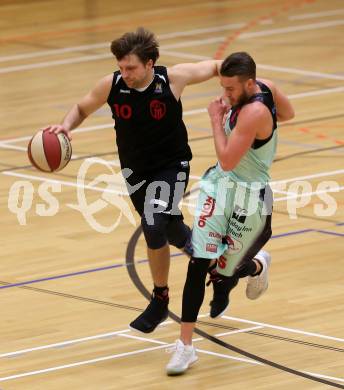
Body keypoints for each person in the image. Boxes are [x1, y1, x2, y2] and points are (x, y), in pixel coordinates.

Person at [46, 27, 227, 334]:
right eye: (121, 67)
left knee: (153, 223)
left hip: (172, 165)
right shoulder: (112, 85)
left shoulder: (172, 79)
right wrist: (65, 126)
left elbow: (213, 67)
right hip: (135, 171)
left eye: (130, 67)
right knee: (170, 230)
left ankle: (159, 299)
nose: (125, 73)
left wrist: (244, 83)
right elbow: (81, 107)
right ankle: (224, 266)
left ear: (150, 63)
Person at [166, 51, 295, 375]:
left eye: (231, 89)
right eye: (222, 88)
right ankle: (185, 346)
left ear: (250, 83)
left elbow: (226, 158)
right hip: (220, 189)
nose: (225, 95)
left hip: (251, 199)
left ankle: (256, 266)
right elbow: (289, 113)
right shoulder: (267, 87)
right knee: (198, 262)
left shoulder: (253, 111)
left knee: (222, 272)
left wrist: (214, 118)